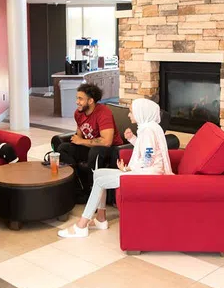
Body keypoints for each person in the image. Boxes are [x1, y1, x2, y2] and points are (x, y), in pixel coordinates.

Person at [58, 98, 173, 238]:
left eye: (131, 112)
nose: (129, 115)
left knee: (100, 180)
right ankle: (101, 219)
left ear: (141, 113)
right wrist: (132, 139)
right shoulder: (148, 128)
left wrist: (128, 169)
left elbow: (148, 158)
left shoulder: (148, 130)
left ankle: (81, 225)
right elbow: (147, 150)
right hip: (146, 172)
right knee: (98, 174)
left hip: (146, 175)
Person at [52, 83, 124, 198]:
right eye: (77, 98)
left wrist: (81, 141)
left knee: (95, 151)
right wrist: (77, 141)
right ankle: (78, 187)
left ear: (90, 101)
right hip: (90, 147)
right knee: (63, 148)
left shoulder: (103, 113)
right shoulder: (78, 113)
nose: (77, 102)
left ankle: (93, 193)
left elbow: (107, 142)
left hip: (111, 150)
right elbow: (79, 134)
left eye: (80, 99)